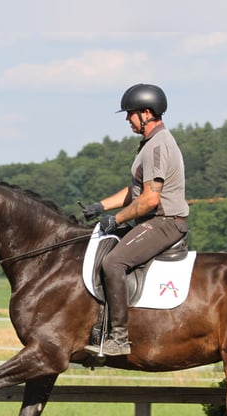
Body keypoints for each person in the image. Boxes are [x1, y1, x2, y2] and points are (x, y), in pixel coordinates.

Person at [82, 83, 188, 356]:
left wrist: (115, 220)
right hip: (153, 220)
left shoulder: (157, 146)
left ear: (147, 113)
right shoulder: (150, 144)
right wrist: (100, 206)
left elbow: (150, 199)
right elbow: (135, 191)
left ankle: (118, 338)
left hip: (165, 222)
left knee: (113, 262)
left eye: (130, 114)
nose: (128, 119)